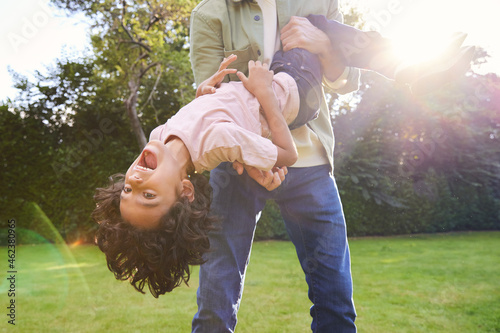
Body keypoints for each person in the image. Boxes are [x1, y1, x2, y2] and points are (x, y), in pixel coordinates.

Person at [92, 46, 330, 297]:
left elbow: (201, 116)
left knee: (301, 31)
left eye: (128, 190)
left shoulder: (158, 135)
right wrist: (265, 93)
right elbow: (288, 153)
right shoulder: (217, 140)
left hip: (276, 76)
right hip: (296, 89)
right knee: (321, 32)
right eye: (149, 195)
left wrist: (203, 96)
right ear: (185, 191)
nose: (136, 179)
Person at [189, 1, 360, 332]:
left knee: (336, 302)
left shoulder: (322, 2)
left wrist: (324, 44)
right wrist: (253, 159)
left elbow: (347, 80)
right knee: (214, 306)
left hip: (311, 163)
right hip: (237, 168)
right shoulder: (209, 14)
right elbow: (210, 102)